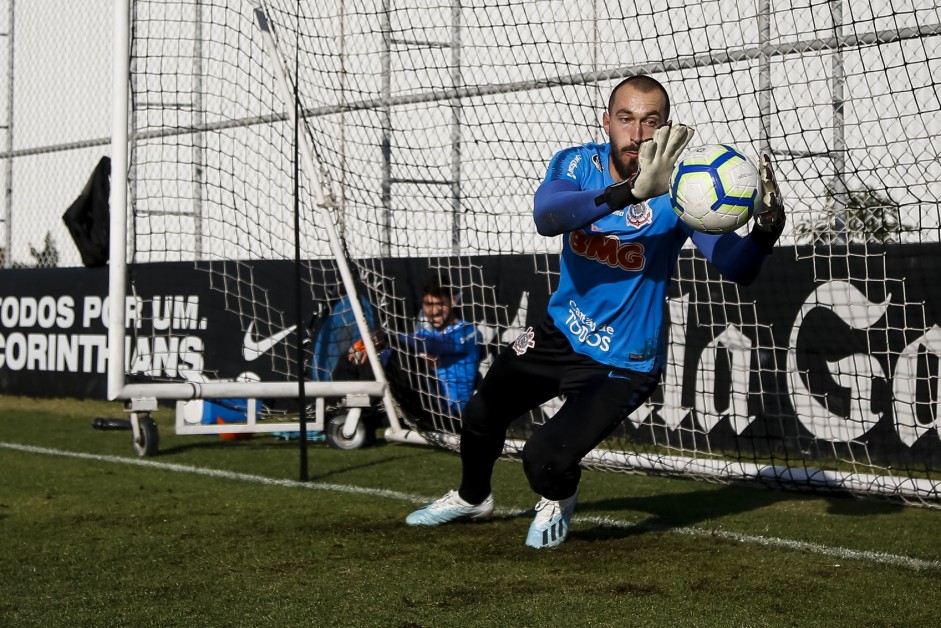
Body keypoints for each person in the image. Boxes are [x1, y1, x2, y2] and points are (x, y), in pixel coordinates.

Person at [404, 75, 786, 548]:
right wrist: (630, 191)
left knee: (544, 462)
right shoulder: (577, 163)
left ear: (667, 128)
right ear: (607, 122)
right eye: (625, 119)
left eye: (651, 121)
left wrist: (767, 228)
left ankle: (560, 492)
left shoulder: (684, 189)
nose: (637, 133)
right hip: (560, 332)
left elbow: (737, 267)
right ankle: (472, 497)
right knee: (482, 412)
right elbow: (548, 217)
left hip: (622, 361)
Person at [333, 275, 481, 428]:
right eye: (428, 304)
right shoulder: (428, 335)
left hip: (449, 413)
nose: (434, 311)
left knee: (398, 355)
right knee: (360, 354)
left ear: (453, 301)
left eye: (439, 304)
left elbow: (434, 344)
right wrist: (371, 347)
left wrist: (390, 338)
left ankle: (354, 408)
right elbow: (421, 341)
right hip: (421, 405)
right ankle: (343, 407)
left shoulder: (468, 332)